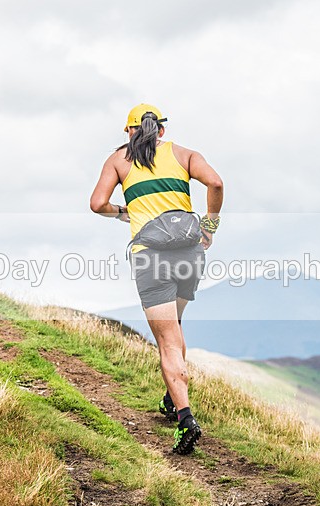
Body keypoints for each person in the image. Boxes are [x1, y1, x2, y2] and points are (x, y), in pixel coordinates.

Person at [90, 104, 224, 454]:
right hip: (189, 253)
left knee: (167, 341)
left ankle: (185, 420)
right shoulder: (184, 154)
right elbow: (216, 183)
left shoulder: (119, 161)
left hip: (151, 256)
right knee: (175, 328)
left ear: (130, 131)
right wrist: (209, 226)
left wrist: (124, 212)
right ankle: (170, 398)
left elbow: (97, 203)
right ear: (161, 130)